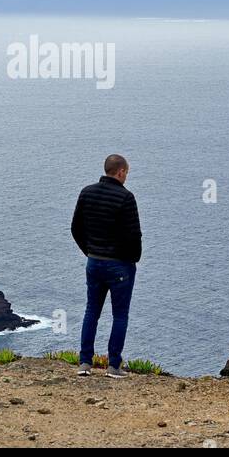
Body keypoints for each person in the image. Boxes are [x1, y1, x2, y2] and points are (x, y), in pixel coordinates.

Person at [70, 153, 142, 378]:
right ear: (120, 172)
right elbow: (134, 236)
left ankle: (84, 363)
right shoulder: (125, 197)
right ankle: (113, 366)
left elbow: (75, 228)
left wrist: (90, 251)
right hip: (119, 265)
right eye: (126, 173)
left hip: (94, 262)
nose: (126, 177)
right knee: (120, 315)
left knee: (92, 311)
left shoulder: (87, 192)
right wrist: (132, 260)